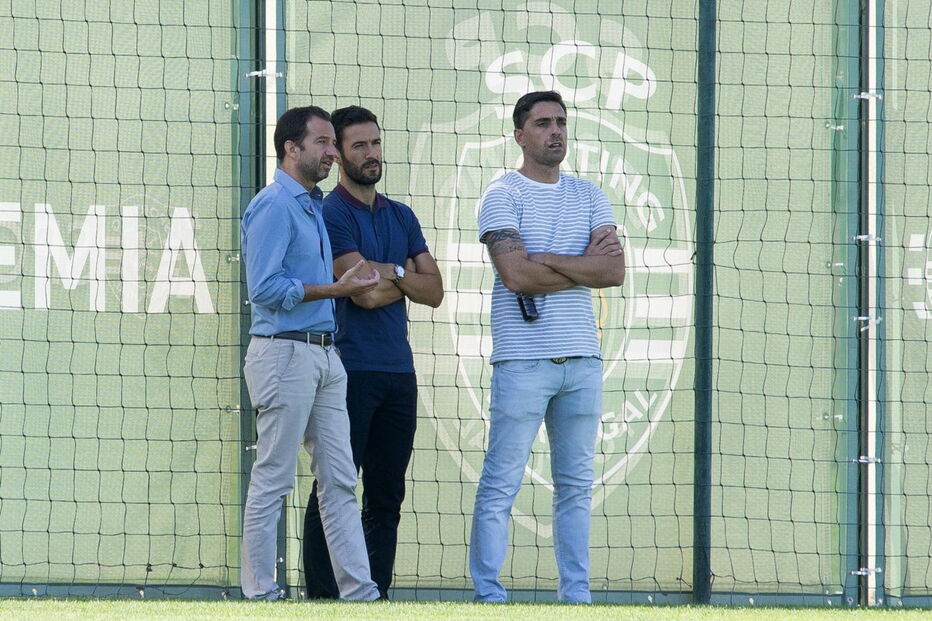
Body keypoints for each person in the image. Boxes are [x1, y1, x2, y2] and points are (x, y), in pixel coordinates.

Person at [469, 90, 626, 604]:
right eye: (542, 124)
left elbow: (613, 271)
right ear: (519, 135)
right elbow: (515, 274)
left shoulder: (588, 195)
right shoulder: (502, 194)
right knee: (501, 484)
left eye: (561, 122)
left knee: (576, 488)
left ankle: (575, 598)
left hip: (581, 359)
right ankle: (489, 597)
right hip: (523, 361)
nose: (555, 131)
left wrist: (550, 260)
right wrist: (579, 264)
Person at [240, 105, 381, 602]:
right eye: (322, 142)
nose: (332, 152)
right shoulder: (275, 205)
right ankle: (260, 593)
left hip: (324, 356)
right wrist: (335, 290)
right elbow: (265, 289)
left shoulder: (310, 205)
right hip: (283, 354)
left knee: (340, 481)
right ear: (291, 148)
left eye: (331, 143)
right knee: (274, 478)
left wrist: (334, 292)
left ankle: (360, 594)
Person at [303, 105, 444, 600]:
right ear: (338, 153)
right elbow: (359, 291)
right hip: (349, 369)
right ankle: (321, 598)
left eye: (375, 143)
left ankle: (375, 597)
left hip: (398, 374)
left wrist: (396, 276)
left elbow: (435, 290)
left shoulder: (401, 215)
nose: (371, 154)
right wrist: (403, 276)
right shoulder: (330, 212)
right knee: (335, 490)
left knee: (386, 497)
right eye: (359, 145)